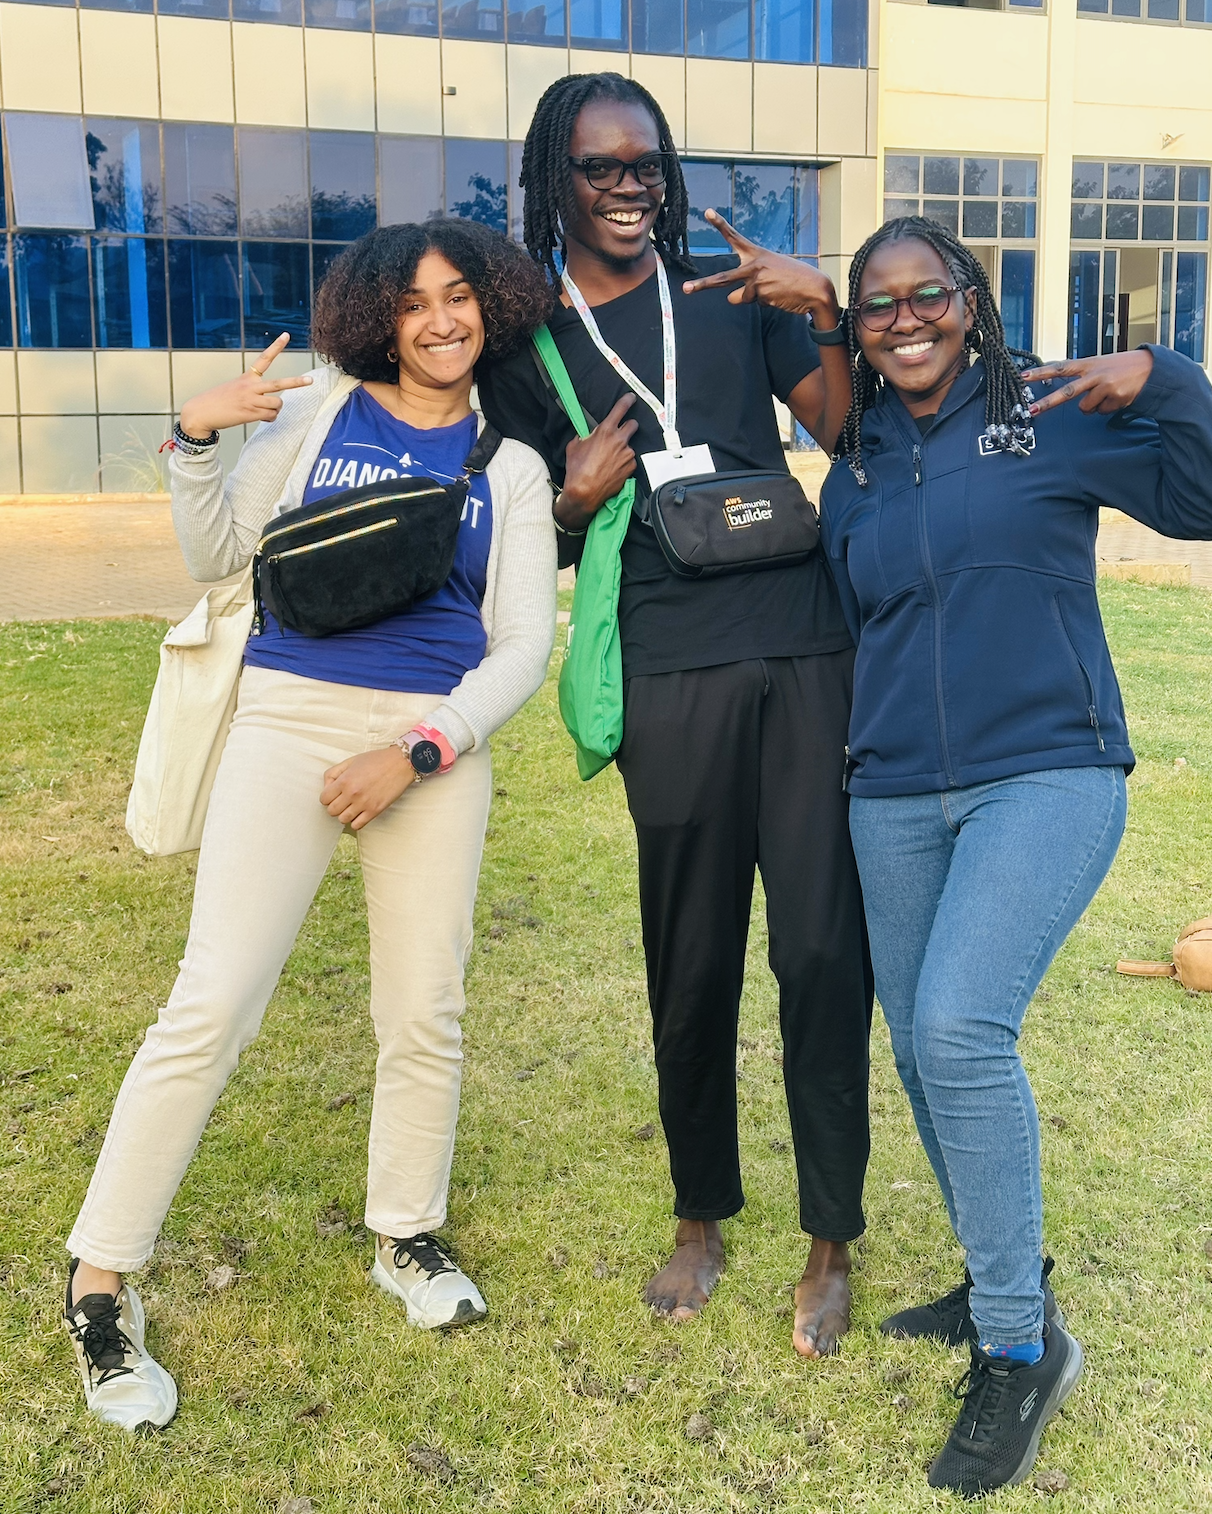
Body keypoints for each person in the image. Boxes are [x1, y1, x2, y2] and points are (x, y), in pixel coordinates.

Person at [62, 219, 557, 1430]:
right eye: (414, 303)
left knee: (424, 1006)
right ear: (376, 317)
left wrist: (419, 748)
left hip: (432, 740)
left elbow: (522, 644)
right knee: (214, 998)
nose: (441, 321)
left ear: (491, 306)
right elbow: (216, 554)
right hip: (287, 719)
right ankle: (99, 1280)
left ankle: (404, 1233)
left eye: (460, 298)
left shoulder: (512, 465)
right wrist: (196, 432)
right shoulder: (318, 413)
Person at [477, 70, 874, 1358]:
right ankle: (701, 1211)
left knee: (820, 950)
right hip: (668, 660)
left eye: (648, 161)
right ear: (556, 179)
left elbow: (842, 429)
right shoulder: (523, 340)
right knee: (690, 956)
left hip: (804, 637)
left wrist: (821, 310)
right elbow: (513, 523)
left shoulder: (721, 285)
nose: (632, 184)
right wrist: (574, 504)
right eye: (601, 166)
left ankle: (830, 1235)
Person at [816, 214, 1212, 1495]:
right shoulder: (857, 466)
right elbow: (848, 628)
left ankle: (1019, 1348)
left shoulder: (1048, 409)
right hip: (892, 792)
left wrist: (1170, 378)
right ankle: (1006, 1270)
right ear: (860, 332)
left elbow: (1203, 498)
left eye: (930, 293)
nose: (907, 317)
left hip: (1048, 769)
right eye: (878, 305)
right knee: (923, 1046)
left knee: (961, 1027)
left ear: (970, 301)